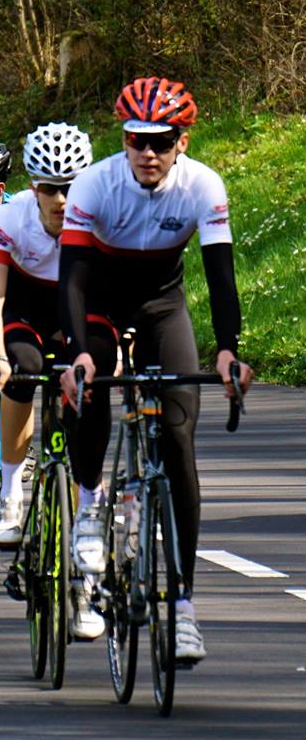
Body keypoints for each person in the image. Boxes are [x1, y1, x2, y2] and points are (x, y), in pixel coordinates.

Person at [59, 76, 255, 662]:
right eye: (136, 139)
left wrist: (228, 349)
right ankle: (90, 506)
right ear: (122, 139)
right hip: (98, 299)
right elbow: (70, 274)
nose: (148, 152)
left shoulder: (203, 186)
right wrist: (78, 350)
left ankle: (186, 605)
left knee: (177, 435)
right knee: (90, 387)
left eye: (161, 141)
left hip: (163, 302)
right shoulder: (94, 184)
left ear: (182, 142)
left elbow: (220, 275)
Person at [0, 122, 100, 639]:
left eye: (70, 186)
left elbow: (112, 303)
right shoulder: (9, 220)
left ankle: (90, 581)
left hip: (76, 319)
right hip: (24, 315)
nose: (60, 198)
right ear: (32, 185)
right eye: (49, 187)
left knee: (92, 401)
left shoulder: (99, 221)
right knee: (22, 372)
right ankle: (10, 494)